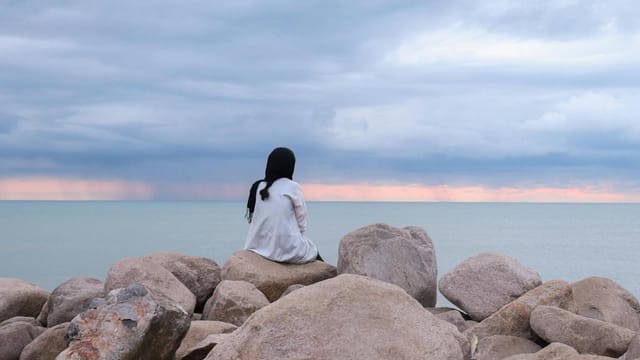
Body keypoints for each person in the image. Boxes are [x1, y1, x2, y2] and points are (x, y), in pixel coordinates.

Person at [244, 147, 322, 264]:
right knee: (313, 250)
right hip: (287, 248)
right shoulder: (293, 187)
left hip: (257, 246)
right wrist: (299, 236)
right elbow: (301, 220)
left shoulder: (257, 186)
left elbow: (256, 217)